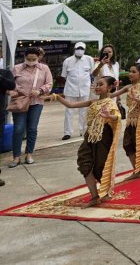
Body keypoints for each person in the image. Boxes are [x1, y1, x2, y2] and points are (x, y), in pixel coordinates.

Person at [48, 77, 120, 206]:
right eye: (96, 84)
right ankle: (94, 196)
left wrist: (110, 116)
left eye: (101, 85)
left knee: (100, 167)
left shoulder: (110, 103)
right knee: (84, 162)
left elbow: (117, 117)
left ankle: (105, 192)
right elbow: (71, 105)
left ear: (109, 87)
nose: (97, 87)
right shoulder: (93, 102)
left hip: (103, 137)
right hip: (89, 136)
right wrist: (57, 97)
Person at [8, 47, 53, 167]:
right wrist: (12, 91)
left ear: (39, 57)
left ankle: (29, 154)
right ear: (24, 57)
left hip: (36, 102)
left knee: (32, 129)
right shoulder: (17, 68)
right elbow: (10, 84)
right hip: (20, 102)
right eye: (28, 59)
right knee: (18, 129)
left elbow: (49, 83)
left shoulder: (44, 68)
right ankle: (16, 156)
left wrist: (40, 91)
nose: (31, 61)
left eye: (34, 59)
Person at [113, 64, 140, 178]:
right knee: (127, 144)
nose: (130, 74)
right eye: (130, 71)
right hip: (131, 120)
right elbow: (112, 95)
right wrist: (109, 87)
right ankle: (137, 170)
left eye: (133, 72)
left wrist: (137, 99)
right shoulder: (129, 87)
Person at [60, 41, 95, 140]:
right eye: (78, 48)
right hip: (70, 89)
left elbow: (92, 73)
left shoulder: (89, 59)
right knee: (69, 111)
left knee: (84, 111)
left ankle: (83, 131)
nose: (79, 50)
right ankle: (68, 132)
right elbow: (64, 76)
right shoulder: (67, 61)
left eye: (82, 49)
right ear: (74, 49)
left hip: (85, 89)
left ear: (84, 50)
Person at [93, 44, 122, 116]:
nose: (108, 53)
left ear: (113, 53)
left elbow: (117, 79)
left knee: (111, 112)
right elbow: (94, 74)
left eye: (110, 52)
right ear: (102, 53)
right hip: (102, 92)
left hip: (113, 92)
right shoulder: (98, 63)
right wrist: (100, 65)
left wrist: (118, 95)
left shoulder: (116, 64)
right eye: (105, 52)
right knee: (101, 112)